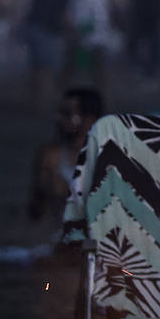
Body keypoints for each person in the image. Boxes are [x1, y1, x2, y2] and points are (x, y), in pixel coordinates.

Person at [27, 86, 104, 228]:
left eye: (67, 114)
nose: (58, 119)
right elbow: (35, 214)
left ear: (89, 120)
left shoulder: (107, 158)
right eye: (60, 113)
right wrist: (44, 190)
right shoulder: (49, 156)